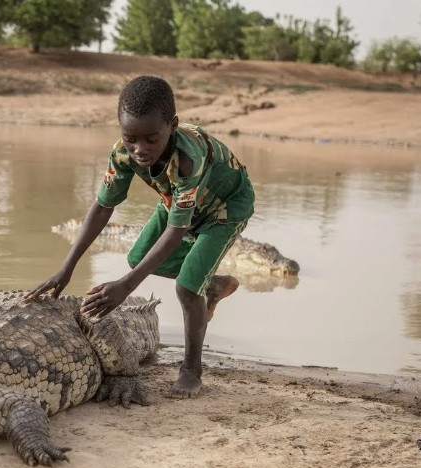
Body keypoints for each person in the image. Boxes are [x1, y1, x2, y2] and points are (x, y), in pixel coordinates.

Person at [24, 75, 255, 399]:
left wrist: (126, 285)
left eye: (151, 139)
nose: (139, 149)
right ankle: (211, 285)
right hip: (175, 201)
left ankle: (191, 370)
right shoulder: (123, 154)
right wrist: (67, 266)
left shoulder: (187, 160)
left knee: (187, 289)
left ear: (172, 126)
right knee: (136, 258)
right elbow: (103, 207)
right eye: (130, 138)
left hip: (224, 207)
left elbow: (176, 231)